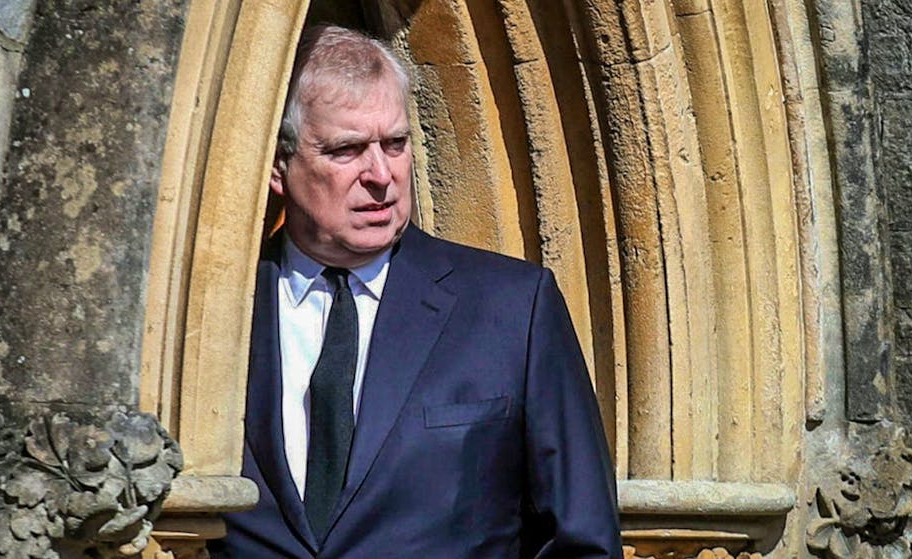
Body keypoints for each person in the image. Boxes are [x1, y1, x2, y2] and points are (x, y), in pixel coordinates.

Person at [209, 24, 622, 559]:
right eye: (347, 150)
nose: (381, 175)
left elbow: (582, 540)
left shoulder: (512, 307)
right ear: (278, 165)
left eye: (395, 144)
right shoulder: (218, 312)